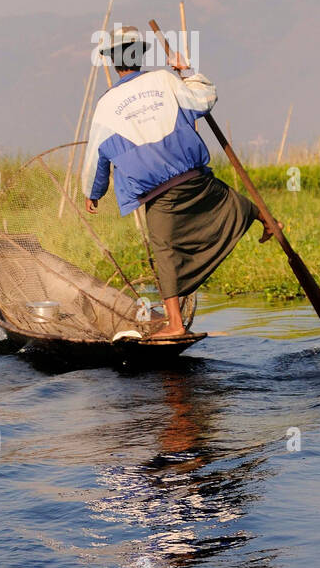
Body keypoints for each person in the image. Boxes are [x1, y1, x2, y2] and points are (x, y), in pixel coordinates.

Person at [81, 25, 273, 339]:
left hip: (159, 194)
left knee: (164, 252)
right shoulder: (165, 80)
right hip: (194, 178)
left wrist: (93, 193)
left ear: (114, 63)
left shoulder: (106, 106)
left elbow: (96, 160)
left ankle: (175, 324)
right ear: (140, 55)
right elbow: (205, 98)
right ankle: (266, 218)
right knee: (226, 199)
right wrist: (187, 73)